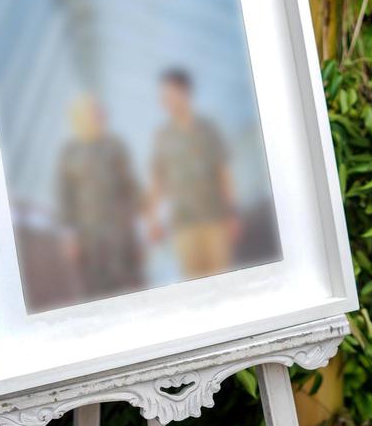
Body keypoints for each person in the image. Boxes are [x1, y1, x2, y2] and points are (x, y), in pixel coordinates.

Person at [147, 69, 237, 280]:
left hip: (215, 220)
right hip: (183, 225)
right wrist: (153, 220)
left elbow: (223, 172)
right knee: (194, 284)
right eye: (163, 97)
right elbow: (157, 182)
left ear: (185, 92)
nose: (165, 101)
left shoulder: (208, 129)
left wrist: (232, 212)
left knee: (223, 279)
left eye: (169, 95)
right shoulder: (162, 137)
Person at [57, 95, 143, 300]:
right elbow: (65, 196)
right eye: (93, 113)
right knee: (96, 289)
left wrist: (140, 229)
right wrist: (69, 236)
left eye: (100, 112)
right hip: (89, 236)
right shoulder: (69, 152)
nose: (99, 116)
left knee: (129, 284)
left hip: (120, 232)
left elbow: (130, 188)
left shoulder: (115, 146)